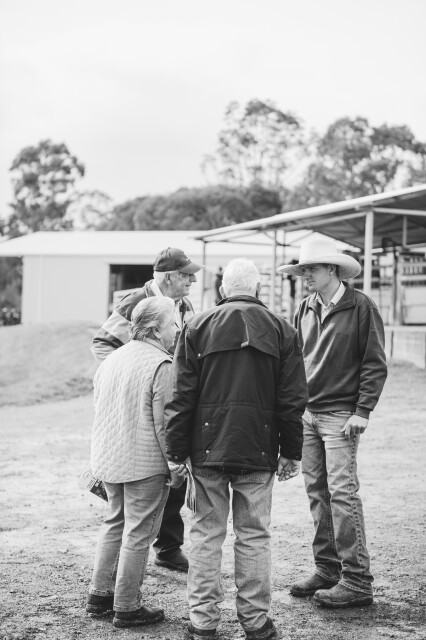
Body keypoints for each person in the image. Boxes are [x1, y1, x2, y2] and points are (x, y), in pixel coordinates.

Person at [164, 258, 308, 640]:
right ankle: (256, 623)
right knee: (254, 535)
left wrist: (175, 453)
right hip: (259, 448)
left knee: (205, 535)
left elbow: (180, 397)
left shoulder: (196, 327)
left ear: (223, 289)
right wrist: (292, 451)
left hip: (206, 449)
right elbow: (293, 399)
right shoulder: (284, 330)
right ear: (257, 289)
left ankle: (202, 622)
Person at [278, 239, 387, 609]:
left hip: (342, 416)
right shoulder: (304, 308)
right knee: (317, 492)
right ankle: (327, 570)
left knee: (342, 493)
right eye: (303, 269)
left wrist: (363, 410)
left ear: (332, 269)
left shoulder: (361, 307)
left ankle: (357, 580)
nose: (305, 275)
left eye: (311, 268)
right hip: (308, 414)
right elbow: (296, 360)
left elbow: (374, 362)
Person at [91, 246, 202, 573]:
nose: (193, 281)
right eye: (186, 275)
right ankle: (136, 559)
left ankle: (168, 546)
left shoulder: (185, 305)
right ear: (168, 277)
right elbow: (102, 343)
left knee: (174, 472)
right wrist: (132, 374)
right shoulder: (135, 302)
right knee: (146, 472)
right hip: (142, 398)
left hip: (173, 394)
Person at [86, 296, 182, 628]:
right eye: (172, 323)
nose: (177, 329)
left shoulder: (111, 360)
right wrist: (175, 465)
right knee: (139, 533)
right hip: (144, 465)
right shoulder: (162, 365)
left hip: (109, 459)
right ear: (155, 329)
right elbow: (164, 425)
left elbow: (100, 410)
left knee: (114, 522)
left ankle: (99, 595)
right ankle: (127, 606)